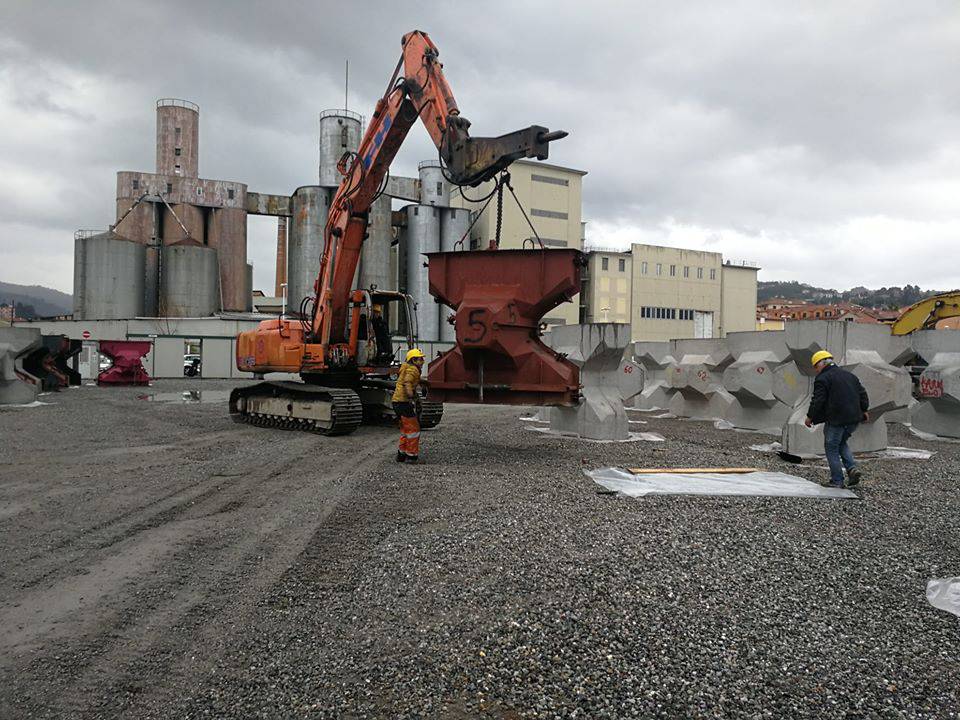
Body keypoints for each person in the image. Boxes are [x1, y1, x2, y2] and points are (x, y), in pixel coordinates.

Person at [804, 350, 869, 488]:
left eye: (815, 367)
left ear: (821, 364)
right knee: (841, 442)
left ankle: (837, 480)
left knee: (831, 447)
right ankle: (852, 469)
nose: (816, 370)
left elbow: (818, 400)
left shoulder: (823, 379)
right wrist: (864, 410)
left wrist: (810, 416)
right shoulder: (850, 376)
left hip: (836, 419)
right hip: (853, 419)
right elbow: (862, 394)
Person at [392, 348, 425, 463]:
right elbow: (407, 382)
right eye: (420, 359)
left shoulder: (406, 368)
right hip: (403, 402)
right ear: (414, 360)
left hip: (397, 402)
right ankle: (411, 456)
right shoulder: (413, 369)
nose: (423, 361)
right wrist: (411, 395)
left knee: (405, 430)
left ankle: (401, 454)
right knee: (413, 430)